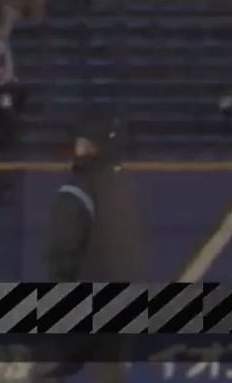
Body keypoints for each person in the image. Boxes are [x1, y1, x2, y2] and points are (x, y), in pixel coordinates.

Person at [36, 113, 144, 383]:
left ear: (86, 146)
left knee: (48, 368)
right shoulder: (123, 188)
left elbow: (62, 250)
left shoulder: (76, 190)